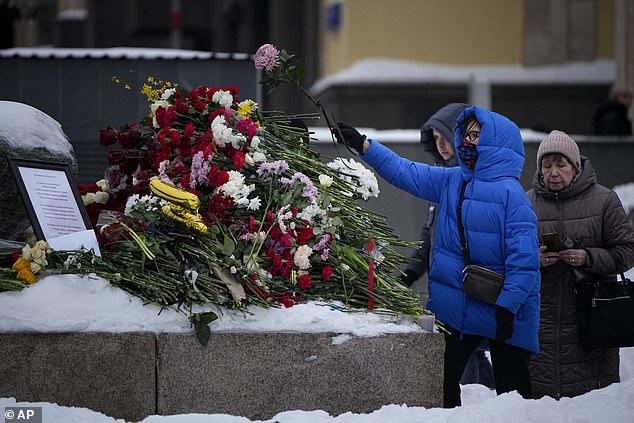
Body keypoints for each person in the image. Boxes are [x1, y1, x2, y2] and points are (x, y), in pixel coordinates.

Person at [333, 106, 540, 407]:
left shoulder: (513, 197)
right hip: (458, 305)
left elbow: (524, 263)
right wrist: (364, 145)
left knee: (513, 395)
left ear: (496, 141)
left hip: (504, 311)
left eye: (476, 135)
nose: (468, 142)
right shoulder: (452, 180)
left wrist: (508, 307)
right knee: (438, 381)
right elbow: (406, 171)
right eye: (466, 135)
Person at [526, 130, 634, 399]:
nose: (553, 172)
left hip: (593, 324)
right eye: (546, 165)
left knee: (590, 409)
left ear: (575, 166)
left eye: (560, 164)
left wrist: (588, 257)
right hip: (541, 326)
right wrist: (533, 260)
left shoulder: (605, 200)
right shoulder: (526, 203)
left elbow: (627, 252)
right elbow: (505, 256)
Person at [399, 103, 495, 390]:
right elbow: (427, 238)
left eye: (445, 137)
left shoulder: (477, 180)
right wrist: (409, 274)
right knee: (470, 365)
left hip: (470, 289)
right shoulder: (441, 183)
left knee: (464, 364)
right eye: (435, 139)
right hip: (448, 291)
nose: (440, 145)